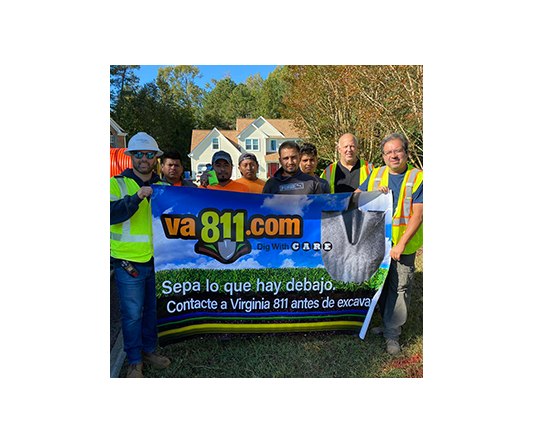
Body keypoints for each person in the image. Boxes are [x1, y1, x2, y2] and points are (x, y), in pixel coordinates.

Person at [110, 132, 172, 377]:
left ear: (155, 158)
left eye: (149, 154)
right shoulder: (116, 184)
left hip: (158, 259)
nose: (144, 159)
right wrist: (136, 197)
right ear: (131, 157)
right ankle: (135, 360)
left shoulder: (164, 188)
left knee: (153, 310)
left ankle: (148, 350)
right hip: (129, 261)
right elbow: (110, 214)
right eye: (139, 154)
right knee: (133, 314)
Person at [356, 133, 423, 355]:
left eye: (397, 151)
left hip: (403, 244)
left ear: (406, 152)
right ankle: (386, 323)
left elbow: (418, 215)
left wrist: (402, 244)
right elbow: (357, 197)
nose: (393, 155)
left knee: (400, 287)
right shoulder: (376, 174)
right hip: (378, 243)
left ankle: (392, 334)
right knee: (382, 285)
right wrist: (373, 193)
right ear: (383, 156)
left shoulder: (419, 177)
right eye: (388, 152)